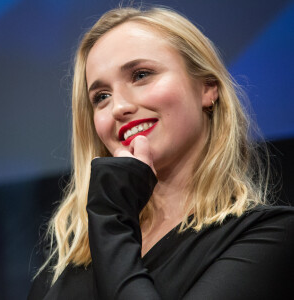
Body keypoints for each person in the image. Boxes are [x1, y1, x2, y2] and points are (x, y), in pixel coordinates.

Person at [28, 6, 294, 300]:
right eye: (101, 97)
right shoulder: (62, 268)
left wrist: (111, 218)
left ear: (207, 88)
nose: (119, 107)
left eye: (141, 75)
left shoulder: (270, 235)